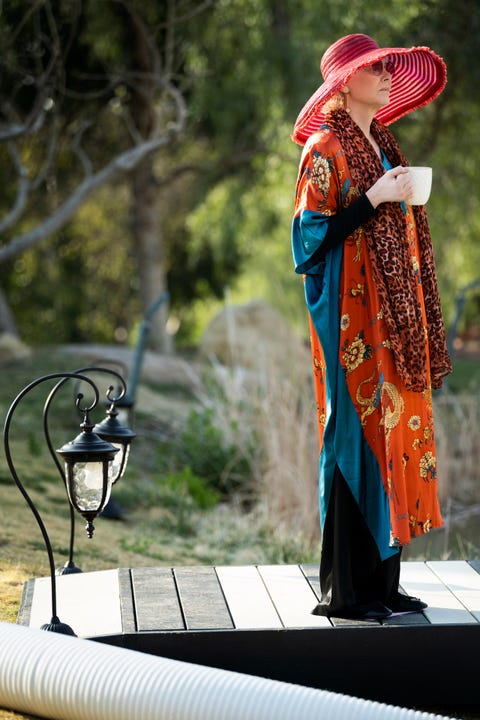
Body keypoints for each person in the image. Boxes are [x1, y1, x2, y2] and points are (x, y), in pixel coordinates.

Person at [291, 34, 452, 620]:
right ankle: (349, 593)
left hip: (397, 320)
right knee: (358, 440)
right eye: (373, 68)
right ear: (344, 81)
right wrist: (372, 200)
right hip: (352, 323)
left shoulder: (381, 140)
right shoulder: (325, 147)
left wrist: (396, 195)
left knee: (399, 440)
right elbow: (307, 240)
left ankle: (385, 585)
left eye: (387, 67)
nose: (385, 75)